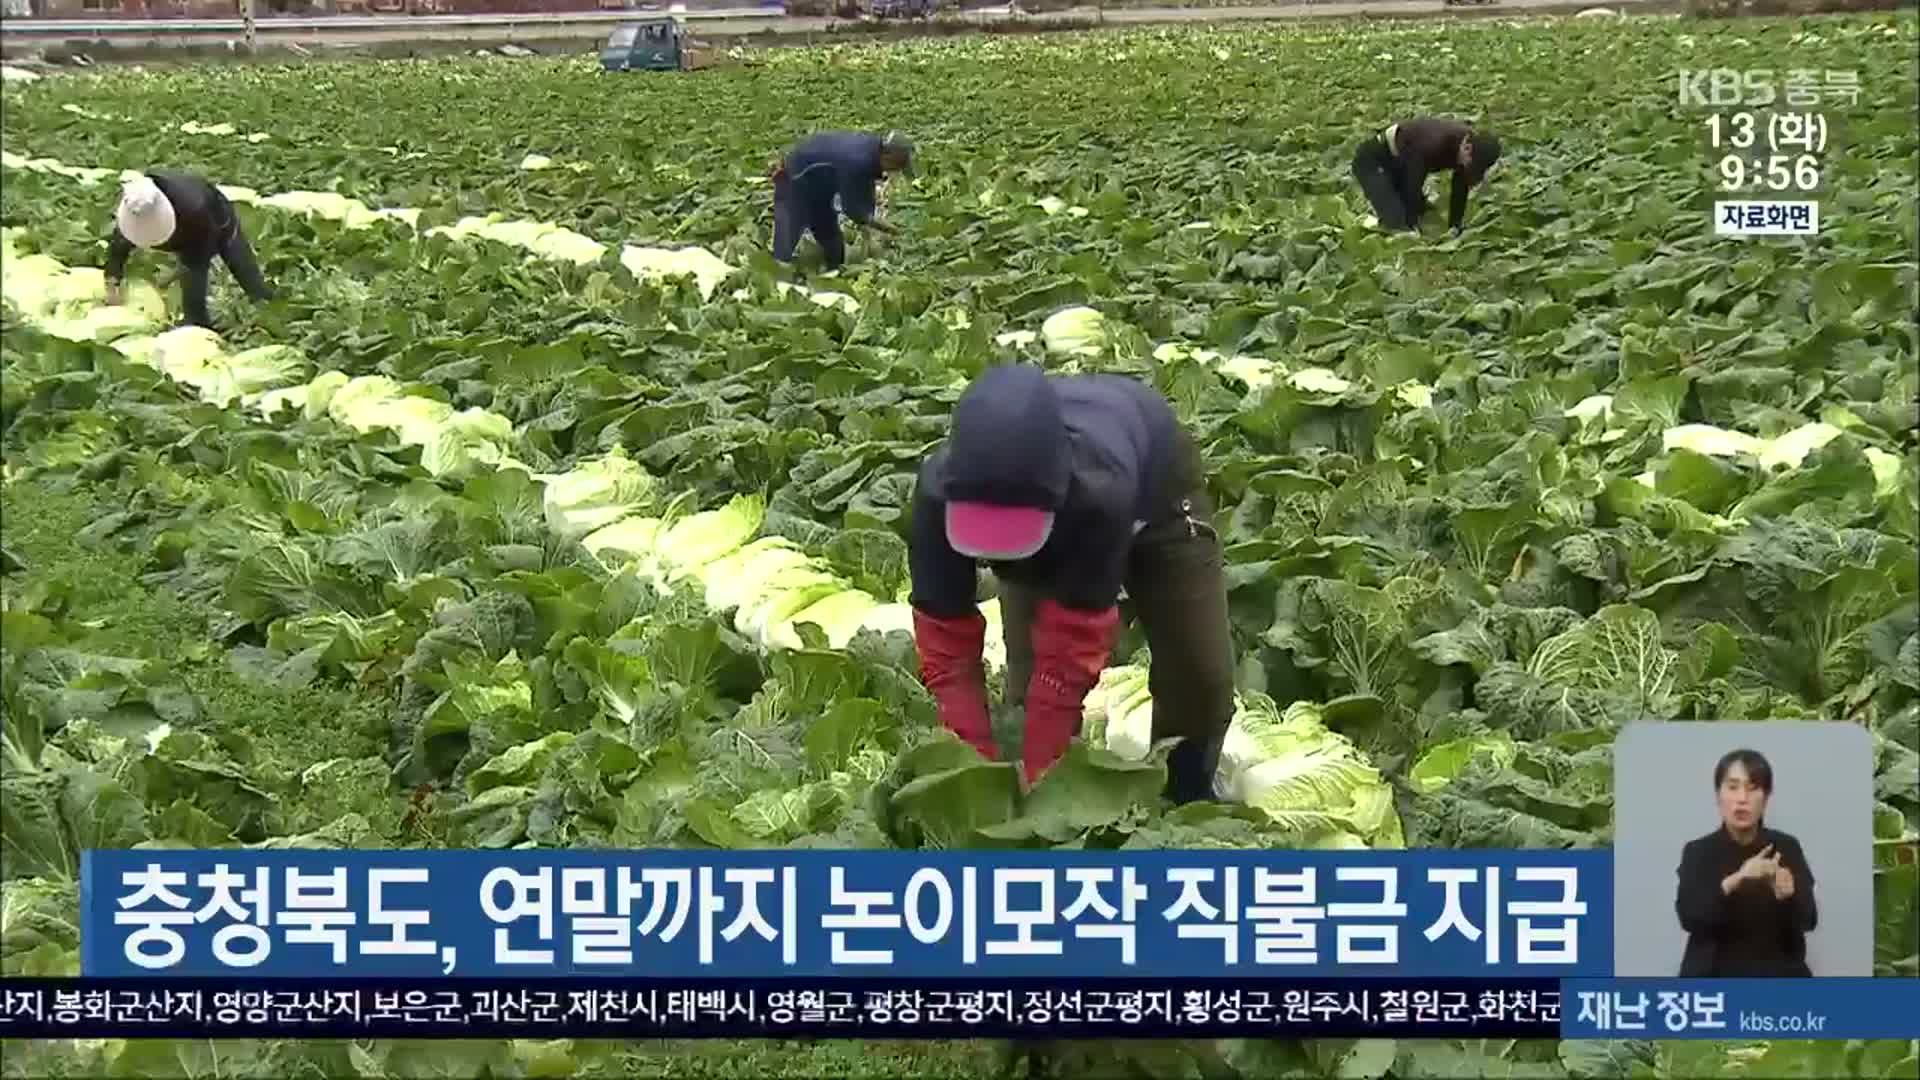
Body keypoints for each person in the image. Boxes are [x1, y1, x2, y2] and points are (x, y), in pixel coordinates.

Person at [905, 363, 1236, 804]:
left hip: (1158, 492)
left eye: (1011, 536)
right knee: (1028, 681)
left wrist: (1045, 779)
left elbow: (1070, 653)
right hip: (1048, 497)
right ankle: (1021, 788)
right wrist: (970, 767)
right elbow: (946, 648)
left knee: (1199, 673)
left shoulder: (1100, 491)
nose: (1000, 552)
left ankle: (1184, 795)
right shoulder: (936, 496)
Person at [1674, 748, 1818, 977]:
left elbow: (1809, 920)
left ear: (1766, 797)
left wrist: (1789, 895)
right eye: (1732, 787)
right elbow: (1690, 917)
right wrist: (1736, 880)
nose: (1742, 799)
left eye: (1753, 789)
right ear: (1718, 795)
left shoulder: (1786, 847)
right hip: (1714, 982)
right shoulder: (1698, 851)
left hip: (1778, 982)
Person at [103, 170, 274, 331]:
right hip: (183, 216)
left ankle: (268, 306)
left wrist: (194, 323)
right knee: (184, 272)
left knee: (239, 263)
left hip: (215, 215)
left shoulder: (196, 211)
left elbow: (196, 267)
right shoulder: (135, 205)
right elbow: (118, 247)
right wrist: (112, 280)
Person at [770, 130, 914, 271]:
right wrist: (890, 229)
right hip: (796, 175)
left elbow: (865, 188)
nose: (895, 170)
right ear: (888, 155)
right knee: (787, 238)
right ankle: (776, 276)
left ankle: (833, 270)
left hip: (820, 183)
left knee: (831, 240)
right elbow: (852, 209)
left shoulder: (872, 151)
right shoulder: (857, 161)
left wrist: (870, 219)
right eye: (897, 165)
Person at [1350, 117, 1501, 235]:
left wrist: (1455, 227)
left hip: (1401, 162)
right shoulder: (1432, 143)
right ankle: (1369, 225)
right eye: (1471, 164)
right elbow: (1411, 185)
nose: (1469, 168)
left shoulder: (1469, 149)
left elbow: (1460, 185)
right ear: (1467, 148)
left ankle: (1390, 216)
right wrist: (1411, 225)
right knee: (1397, 221)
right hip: (1373, 160)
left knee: (1425, 215)